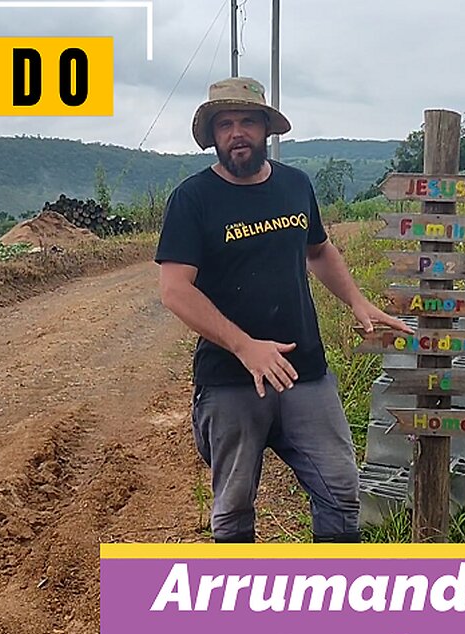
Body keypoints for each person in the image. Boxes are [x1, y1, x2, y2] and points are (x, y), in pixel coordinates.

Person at [155, 77, 413, 544]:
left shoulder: (295, 185)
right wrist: (245, 346)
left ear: (266, 130)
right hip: (231, 380)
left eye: (248, 122)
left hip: (305, 373)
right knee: (233, 511)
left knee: (340, 490)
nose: (237, 133)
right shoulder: (192, 199)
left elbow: (319, 250)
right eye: (226, 124)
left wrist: (357, 301)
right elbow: (175, 290)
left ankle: (331, 605)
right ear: (213, 134)